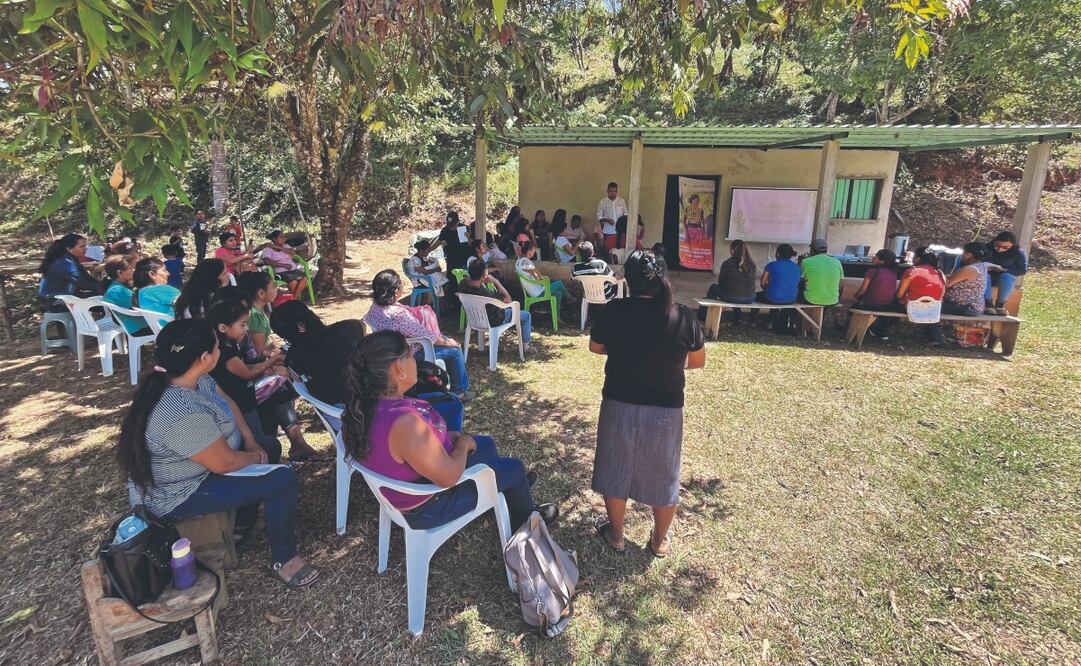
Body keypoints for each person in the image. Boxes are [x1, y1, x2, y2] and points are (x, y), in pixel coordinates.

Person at [116, 318, 319, 588]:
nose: (220, 350)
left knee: (269, 445)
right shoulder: (179, 412)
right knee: (283, 479)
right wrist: (254, 457)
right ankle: (284, 559)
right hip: (181, 493)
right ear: (204, 358)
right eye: (216, 347)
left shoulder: (194, 377)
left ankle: (242, 524)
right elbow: (224, 463)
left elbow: (226, 401)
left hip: (205, 466)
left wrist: (250, 439)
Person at [342, 330, 558, 531]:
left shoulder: (367, 406)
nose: (415, 361)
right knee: (514, 467)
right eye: (410, 355)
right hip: (430, 505)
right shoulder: (404, 424)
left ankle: (506, 490)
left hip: (415, 482)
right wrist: (461, 444)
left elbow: (408, 450)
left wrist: (445, 437)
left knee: (486, 444)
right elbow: (448, 477)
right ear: (398, 367)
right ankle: (526, 518)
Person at [589, 251, 705, 557]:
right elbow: (697, 361)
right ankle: (659, 540)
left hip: (618, 402)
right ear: (664, 277)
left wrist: (626, 352)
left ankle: (616, 534)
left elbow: (596, 346)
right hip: (666, 409)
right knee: (664, 474)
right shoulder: (684, 316)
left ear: (628, 279)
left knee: (615, 468)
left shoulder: (614, 311)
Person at [271, 301, 465, 432]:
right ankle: (445, 447)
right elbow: (360, 328)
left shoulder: (293, 359)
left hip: (341, 421)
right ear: (303, 322)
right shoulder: (347, 329)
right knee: (451, 403)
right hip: (376, 417)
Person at [207, 300, 322, 462]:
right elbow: (247, 373)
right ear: (223, 328)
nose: (247, 329)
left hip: (247, 398)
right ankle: (266, 462)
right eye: (242, 325)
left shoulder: (230, 346)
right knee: (256, 438)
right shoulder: (225, 352)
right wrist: (273, 359)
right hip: (242, 404)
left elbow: (242, 368)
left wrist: (262, 368)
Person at [363, 269, 472, 401]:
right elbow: (428, 337)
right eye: (401, 284)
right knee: (454, 351)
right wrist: (449, 343)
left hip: (388, 353)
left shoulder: (375, 308)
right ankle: (460, 391)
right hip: (411, 352)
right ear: (396, 291)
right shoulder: (398, 316)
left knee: (447, 341)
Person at [459, 259, 533, 353]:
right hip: (495, 319)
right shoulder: (487, 294)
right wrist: (496, 281)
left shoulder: (463, 284)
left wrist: (482, 282)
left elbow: (469, 280)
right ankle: (525, 346)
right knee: (526, 315)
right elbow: (508, 299)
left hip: (474, 319)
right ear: (484, 276)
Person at [884, 246, 947, 344]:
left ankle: (881, 330)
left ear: (918, 258)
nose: (912, 260)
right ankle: (936, 337)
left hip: (912, 309)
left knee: (888, 303)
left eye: (914, 257)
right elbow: (941, 296)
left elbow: (899, 295)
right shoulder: (940, 273)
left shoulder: (912, 272)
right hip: (932, 311)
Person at [37, 233, 102, 311]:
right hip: (53, 300)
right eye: (82, 246)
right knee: (102, 300)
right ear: (69, 248)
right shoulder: (64, 262)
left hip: (61, 295)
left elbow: (86, 277)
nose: (86, 249)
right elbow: (82, 283)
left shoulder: (70, 258)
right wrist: (104, 287)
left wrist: (102, 285)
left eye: (85, 246)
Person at [850, 249, 900, 340]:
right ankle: (880, 331)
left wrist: (856, 296)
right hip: (887, 305)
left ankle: (852, 331)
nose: (873, 258)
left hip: (871, 303)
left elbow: (862, 290)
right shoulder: (894, 273)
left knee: (851, 309)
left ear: (882, 261)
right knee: (883, 314)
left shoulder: (872, 271)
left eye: (875, 257)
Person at [516, 242, 575, 308]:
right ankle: (570, 299)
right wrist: (545, 282)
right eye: (533, 251)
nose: (534, 253)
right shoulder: (527, 263)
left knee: (559, 293)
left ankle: (556, 314)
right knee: (559, 283)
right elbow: (538, 279)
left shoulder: (519, 261)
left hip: (534, 291)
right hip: (538, 293)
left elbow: (536, 273)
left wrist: (541, 277)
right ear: (529, 252)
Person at [103, 255, 150, 335]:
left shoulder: (119, 286)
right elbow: (146, 304)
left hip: (142, 324)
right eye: (131, 268)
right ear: (120, 273)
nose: (134, 271)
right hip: (141, 327)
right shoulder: (117, 290)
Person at [984, 231, 1027, 315]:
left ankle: (1000, 305)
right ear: (994, 241)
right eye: (997, 245)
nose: (1000, 249)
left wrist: (1006, 270)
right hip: (987, 276)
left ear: (1012, 246)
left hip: (1005, 278)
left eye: (1005, 247)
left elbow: (1022, 270)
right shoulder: (987, 248)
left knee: (1006, 276)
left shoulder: (1018, 253)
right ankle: (988, 303)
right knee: (984, 275)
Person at [237, 271, 277, 356]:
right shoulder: (255, 316)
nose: (276, 289)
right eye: (273, 286)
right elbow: (258, 353)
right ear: (261, 293)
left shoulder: (258, 309)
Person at [262, 230, 310, 301]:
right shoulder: (268, 250)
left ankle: (294, 299)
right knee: (293, 282)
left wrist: (279, 247)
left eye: (284, 237)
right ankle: (295, 300)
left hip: (293, 269)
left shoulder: (286, 246)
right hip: (281, 272)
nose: (284, 239)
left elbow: (293, 253)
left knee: (304, 278)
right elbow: (267, 262)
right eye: (281, 237)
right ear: (274, 239)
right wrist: (283, 265)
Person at [707, 239, 757, 304]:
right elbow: (753, 280)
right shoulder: (752, 264)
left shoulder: (727, 263)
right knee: (734, 293)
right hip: (750, 298)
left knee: (713, 287)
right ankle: (737, 310)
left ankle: (705, 309)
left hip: (733, 297)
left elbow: (720, 282)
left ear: (732, 250)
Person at [800, 238, 843, 306]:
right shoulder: (837, 262)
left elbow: (800, 281)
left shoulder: (805, 262)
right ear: (826, 250)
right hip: (832, 300)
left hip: (810, 299)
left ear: (812, 250)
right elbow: (841, 284)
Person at [595, 181, 628, 256]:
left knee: (619, 249)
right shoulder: (602, 202)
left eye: (615, 191)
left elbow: (626, 214)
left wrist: (623, 223)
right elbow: (599, 216)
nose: (613, 193)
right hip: (608, 230)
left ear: (617, 191)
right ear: (607, 191)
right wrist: (607, 220)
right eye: (611, 191)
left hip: (621, 230)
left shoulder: (621, 201)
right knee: (608, 250)